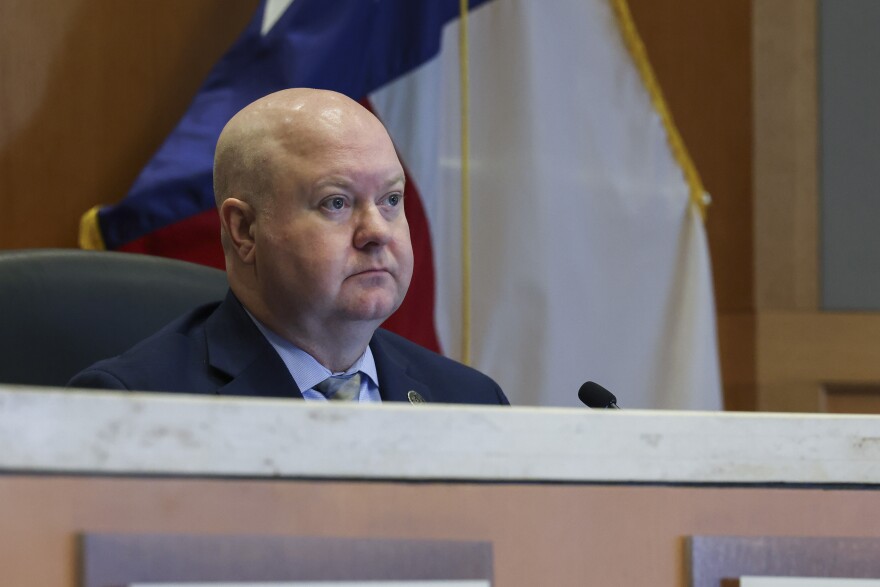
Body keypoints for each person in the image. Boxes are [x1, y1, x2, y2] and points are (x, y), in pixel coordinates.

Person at [69, 88, 509, 406]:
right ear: (243, 230)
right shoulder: (132, 408)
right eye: (335, 203)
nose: (377, 231)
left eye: (390, 200)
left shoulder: (469, 400)